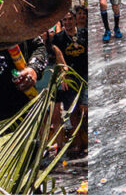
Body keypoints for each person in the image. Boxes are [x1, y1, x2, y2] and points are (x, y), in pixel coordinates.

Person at [52, 9, 88, 155]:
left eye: (69, 19)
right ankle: (77, 143)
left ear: (75, 20)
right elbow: (57, 57)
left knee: (85, 108)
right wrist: (63, 75)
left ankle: (87, 140)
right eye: (64, 20)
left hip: (84, 75)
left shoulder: (84, 33)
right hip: (69, 78)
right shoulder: (58, 38)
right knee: (72, 111)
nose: (67, 23)